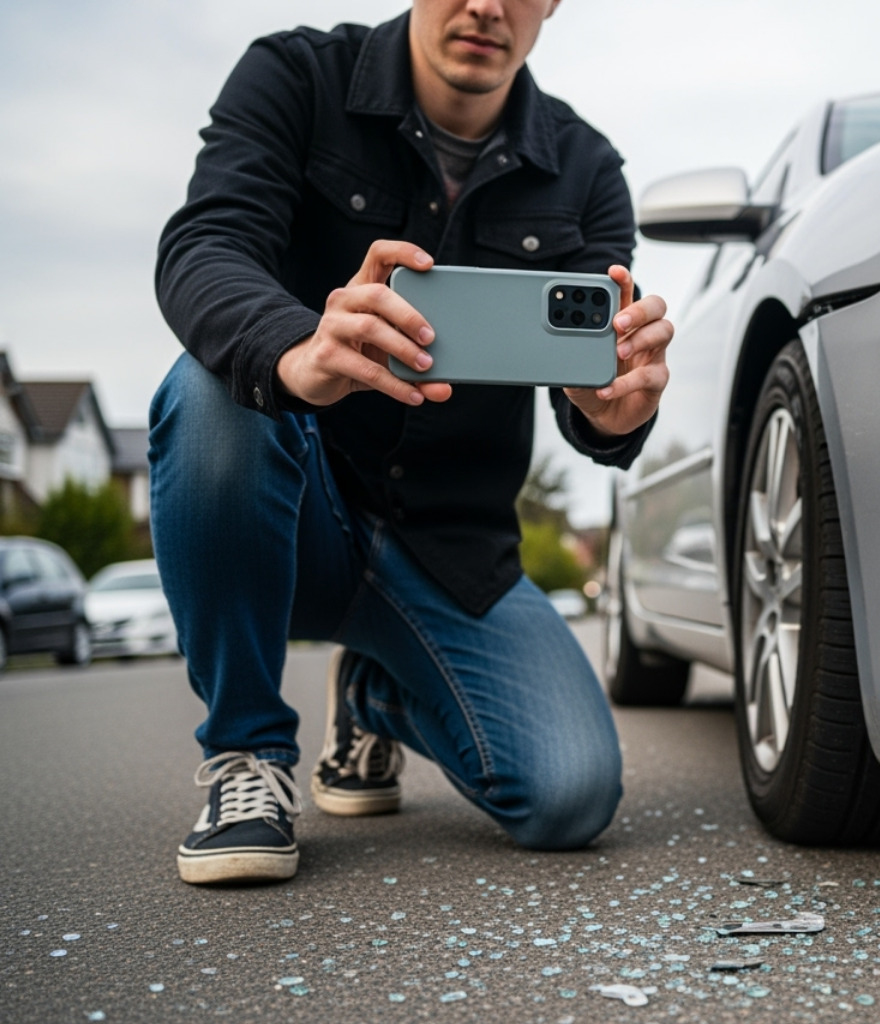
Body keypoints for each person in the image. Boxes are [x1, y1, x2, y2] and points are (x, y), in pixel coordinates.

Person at [151, 0, 673, 884]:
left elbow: (590, 370)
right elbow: (206, 244)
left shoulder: (585, 166)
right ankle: (247, 750)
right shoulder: (295, 78)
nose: (484, 7)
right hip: (295, 506)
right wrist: (295, 347)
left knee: (571, 796)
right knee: (212, 384)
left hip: (445, 546)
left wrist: (613, 413)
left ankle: (375, 692)